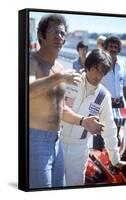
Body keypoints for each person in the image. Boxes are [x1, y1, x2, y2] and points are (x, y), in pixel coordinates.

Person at [29, 14, 104, 189]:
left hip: (57, 141)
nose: (59, 37)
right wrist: (59, 78)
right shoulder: (32, 61)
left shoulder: (60, 68)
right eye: (54, 31)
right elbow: (27, 90)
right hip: (36, 140)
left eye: (62, 33)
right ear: (41, 35)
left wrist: (83, 121)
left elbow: (61, 109)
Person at [60, 48, 126, 187]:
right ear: (88, 66)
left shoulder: (104, 96)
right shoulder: (71, 81)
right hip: (55, 142)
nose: (99, 75)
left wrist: (115, 159)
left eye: (103, 72)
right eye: (96, 69)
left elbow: (109, 128)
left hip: (79, 149)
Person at [101, 36, 126, 108]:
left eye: (115, 47)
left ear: (118, 49)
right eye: (110, 46)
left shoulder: (122, 64)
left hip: (120, 104)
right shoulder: (100, 64)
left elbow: (125, 87)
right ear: (106, 48)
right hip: (104, 104)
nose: (113, 49)